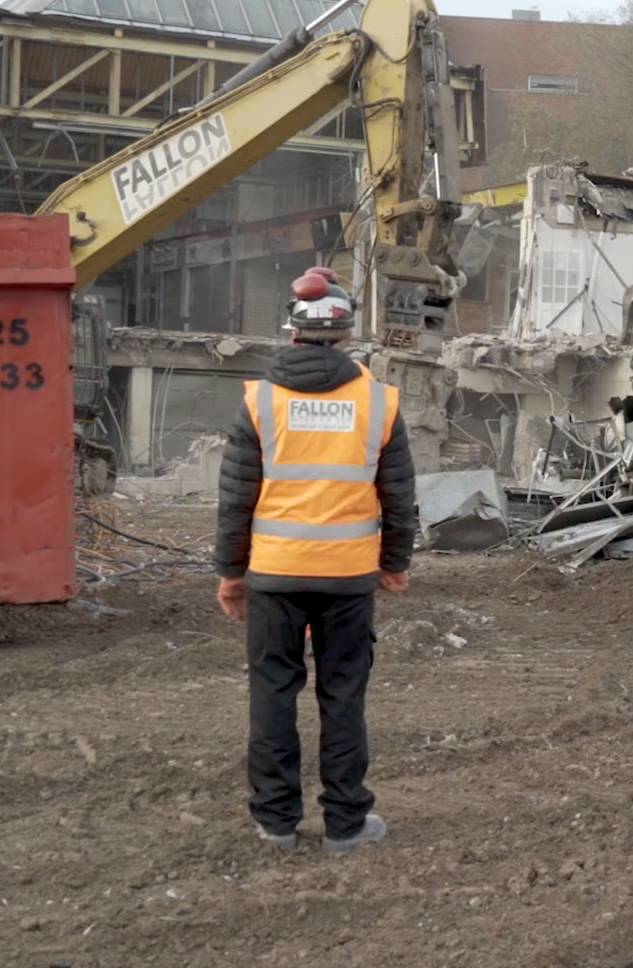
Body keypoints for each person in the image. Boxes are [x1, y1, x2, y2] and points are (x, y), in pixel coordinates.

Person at [215, 267, 417, 854]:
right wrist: (394, 560)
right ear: (348, 335)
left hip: (275, 575)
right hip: (349, 577)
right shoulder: (378, 402)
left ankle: (276, 822)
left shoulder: (259, 403)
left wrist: (231, 574)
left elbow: (235, 501)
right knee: (343, 695)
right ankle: (346, 825)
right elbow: (398, 495)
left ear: (291, 333)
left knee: (273, 693)